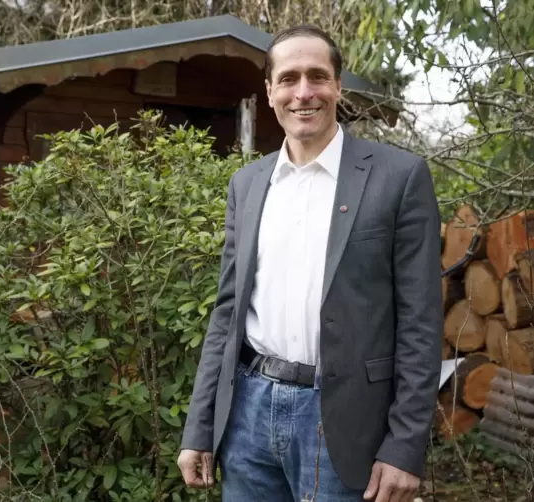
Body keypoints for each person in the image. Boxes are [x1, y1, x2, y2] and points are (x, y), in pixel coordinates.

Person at [176, 24, 444, 502]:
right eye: (289, 78)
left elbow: (421, 324)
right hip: (248, 416)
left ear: (338, 85)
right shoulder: (248, 184)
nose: (304, 93)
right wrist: (200, 426)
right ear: (270, 90)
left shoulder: (399, 178)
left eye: (317, 76)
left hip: (346, 421)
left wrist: (405, 446)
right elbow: (227, 314)